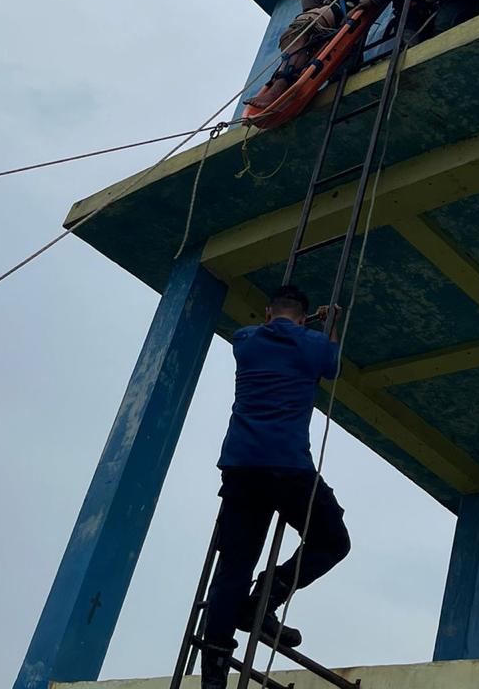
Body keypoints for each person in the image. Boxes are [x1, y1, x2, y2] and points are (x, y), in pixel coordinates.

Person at [201, 285, 350, 689]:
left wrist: (298, 324)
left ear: (268, 313)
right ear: (303, 317)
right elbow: (332, 364)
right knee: (333, 542)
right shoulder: (313, 345)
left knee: (232, 567)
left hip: (241, 467)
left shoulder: (246, 342)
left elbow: (254, 333)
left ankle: (214, 667)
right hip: (288, 468)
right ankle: (267, 596)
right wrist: (330, 323)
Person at [245, 0, 350, 109]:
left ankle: (278, 88)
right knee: (300, 34)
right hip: (323, 35)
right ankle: (280, 85)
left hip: (342, 27)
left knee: (302, 32)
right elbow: (312, 25)